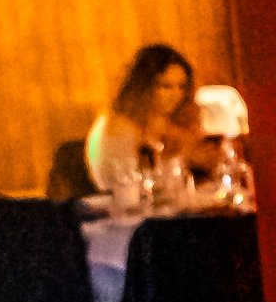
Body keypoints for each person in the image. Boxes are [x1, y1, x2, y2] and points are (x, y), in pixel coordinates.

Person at [85, 44, 200, 195]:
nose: (176, 95)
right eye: (165, 86)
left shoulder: (170, 125)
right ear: (144, 86)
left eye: (181, 86)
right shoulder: (117, 128)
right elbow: (126, 186)